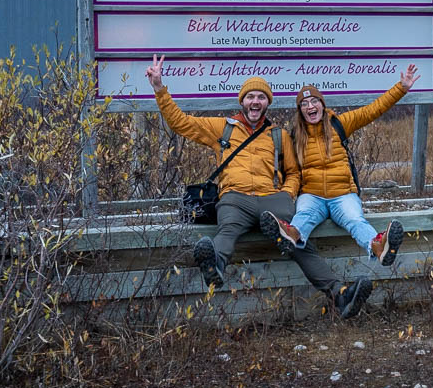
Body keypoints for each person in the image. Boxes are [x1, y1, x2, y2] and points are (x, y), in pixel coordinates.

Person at [145, 55, 371, 318]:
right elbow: (180, 122)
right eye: (250, 97)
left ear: (267, 103)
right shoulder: (223, 128)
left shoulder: (278, 134)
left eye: (261, 97)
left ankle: (340, 295)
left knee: (296, 240)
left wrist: (287, 194)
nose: (255, 101)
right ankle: (214, 264)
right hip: (235, 198)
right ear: (242, 101)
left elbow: (294, 172)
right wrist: (160, 89)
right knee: (227, 229)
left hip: (271, 201)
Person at [263, 65, 418, 274]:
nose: (310, 106)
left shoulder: (339, 124)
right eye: (304, 103)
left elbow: (373, 110)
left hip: (342, 195)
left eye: (314, 101)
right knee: (304, 215)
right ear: (300, 111)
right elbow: (283, 168)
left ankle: (379, 247)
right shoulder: (294, 137)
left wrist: (401, 88)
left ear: (322, 104)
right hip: (312, 195)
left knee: (355, 220)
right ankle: (290, 236)